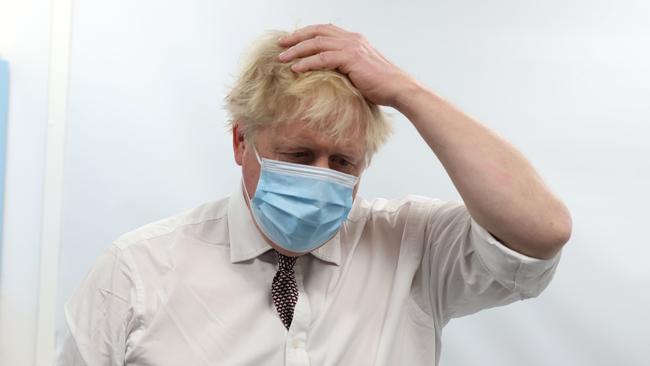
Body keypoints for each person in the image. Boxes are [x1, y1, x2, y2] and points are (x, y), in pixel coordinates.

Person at [56, 24, 572, 365]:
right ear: (242, 142)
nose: (320, 177)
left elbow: (542, 230)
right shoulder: (137, 271)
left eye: (343, 162)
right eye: (299, 155)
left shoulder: (413, 248)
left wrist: (405, 91)